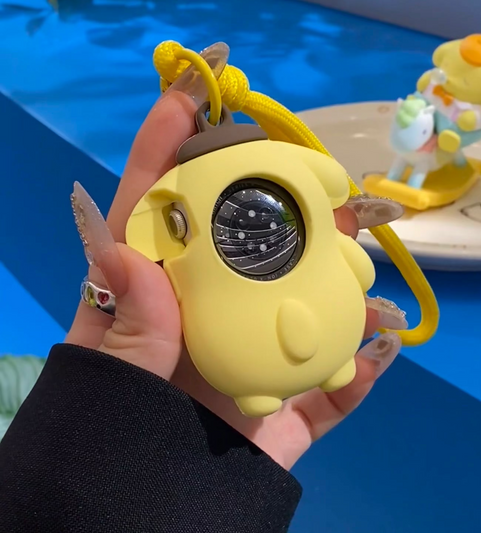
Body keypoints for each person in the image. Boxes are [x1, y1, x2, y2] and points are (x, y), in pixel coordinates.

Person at [0, 73, 407, 532]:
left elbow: (328, 182)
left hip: (309, 331)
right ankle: (283, 378)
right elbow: (329, 179)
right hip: (277, 346)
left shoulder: (234, 180)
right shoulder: (274, 166)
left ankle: (285, 378)